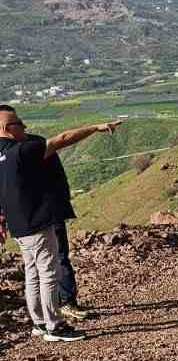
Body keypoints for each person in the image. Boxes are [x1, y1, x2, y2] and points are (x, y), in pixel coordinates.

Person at [0, 106, 120, 343]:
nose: (24, 127)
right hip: (37, 222)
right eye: (19, 123)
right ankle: (55, 326)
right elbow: (63, 139)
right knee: (47, 273)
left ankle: (39, 323)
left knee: (32, 274)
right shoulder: (24, 150)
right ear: (7, 129)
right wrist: (95, 128)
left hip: (20, 226)